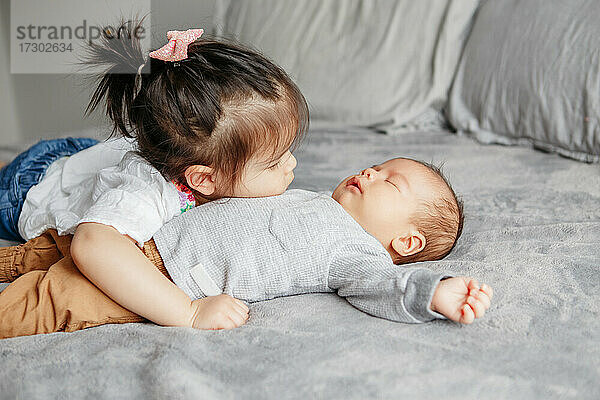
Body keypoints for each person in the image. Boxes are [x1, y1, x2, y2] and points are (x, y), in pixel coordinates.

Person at [0, 20, 309, 330]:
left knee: (105, 160)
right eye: (274, 162)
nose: (292, 164)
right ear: (202, 179)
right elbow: (92, 244)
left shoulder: (196, 161)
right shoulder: (147, 194)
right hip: (29, 184)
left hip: (96, 156)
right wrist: (188, 311)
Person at [0, 157, 493, 339]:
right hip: (145, 230)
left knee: (47, 300)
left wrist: (434, 293)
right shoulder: (316, 198)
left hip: (162, 281)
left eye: (390, 182)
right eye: (377, 165)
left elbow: (389, 286)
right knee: (37, 252)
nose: (370, 172)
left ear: (405, 241)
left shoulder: (357, 256)